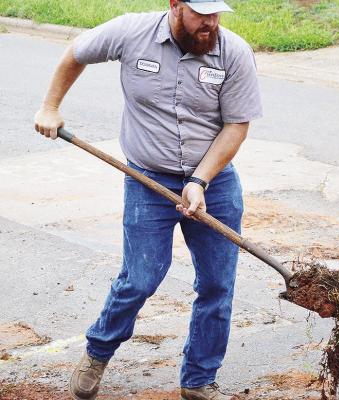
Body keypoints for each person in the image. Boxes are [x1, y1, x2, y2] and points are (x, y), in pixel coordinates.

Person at [34, 0, 262, 399]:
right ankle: (98, 351)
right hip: (146, 178)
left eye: (216, 14)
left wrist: (199, 181)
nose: (211, 23)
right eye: (201, 14)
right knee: (140, 279)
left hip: (214, 183)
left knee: (216, 285)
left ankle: (199, 379)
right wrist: (50, 107)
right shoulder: (130, 32)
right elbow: (76, 52)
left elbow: (236, 125)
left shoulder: (234, 52)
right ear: (176, 5)